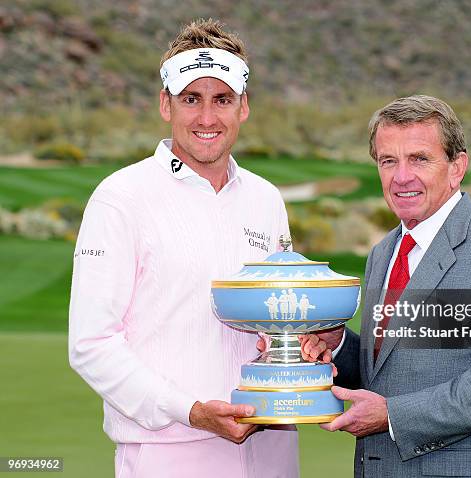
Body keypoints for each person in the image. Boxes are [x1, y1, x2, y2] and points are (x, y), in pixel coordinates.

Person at [68, 19, 298, 478]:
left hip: (272, 445)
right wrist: (192, 410)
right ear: (165, 104)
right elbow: (91, 345)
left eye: (222, 99)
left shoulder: (265, 198)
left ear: (243, 106)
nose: (207, 118)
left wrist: (307, 344)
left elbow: (280, 317)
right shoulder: (121, 197)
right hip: (169, 451)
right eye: (191, 99)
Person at [301, 95, 471, 477]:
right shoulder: (383, 253)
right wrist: (340, 347)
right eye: (388, 161)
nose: (401, 176)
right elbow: (385, 368)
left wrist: (393, 416)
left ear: (457, 166)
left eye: (419, 158)